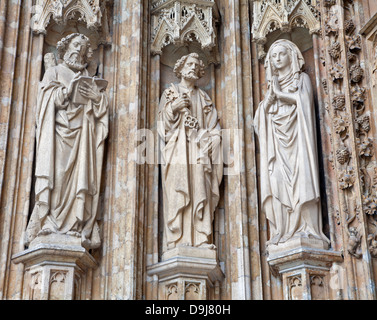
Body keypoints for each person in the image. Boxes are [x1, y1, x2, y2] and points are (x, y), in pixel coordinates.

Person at [25, 33, 109, 249]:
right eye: (75, 45)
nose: (78, 51)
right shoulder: (53, 71)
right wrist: (66, 91)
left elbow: (100, 111)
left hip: (83, 135)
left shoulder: (87, 76)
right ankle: (50, 221)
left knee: (79, 180)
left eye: (83, 49)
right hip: (58, 134)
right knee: (58, 176)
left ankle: (75, 224)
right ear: (65, 48)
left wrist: (97, 97)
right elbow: (43, 102)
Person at [254, 39, 329, 246]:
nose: (277, 59)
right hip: (278, 146)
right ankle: (284, 230)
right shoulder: (271, 87)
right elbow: (259, 121)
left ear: (292, 56)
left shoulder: (302, 79)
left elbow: (304, 102)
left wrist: (279, 94)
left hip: (299, 143)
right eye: (273, 56)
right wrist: (268, 103)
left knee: (302, 181)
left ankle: (308, 229)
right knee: (277, 179)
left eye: (281, 54)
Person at [158, 53, 223, 251]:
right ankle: (178, 238)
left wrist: (209, 138)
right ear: (180, 67)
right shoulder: (171, 94)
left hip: (198, 151)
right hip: (177, 151)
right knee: (179, 189)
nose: (193, 67)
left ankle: (201, 237)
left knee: (199, 190)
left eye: (197, 65)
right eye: (190, 63)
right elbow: (162, 128)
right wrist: (173, 109)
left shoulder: (204, 98)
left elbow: (215, 128)